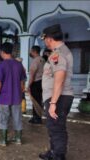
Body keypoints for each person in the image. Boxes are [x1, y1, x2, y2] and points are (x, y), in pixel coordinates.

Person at [39, 24, 74, 160]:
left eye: (44, 39)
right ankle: (53, 152)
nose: (44, 42)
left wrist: (53, 102)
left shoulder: (58, 54)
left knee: (57, 128)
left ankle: (58, 156)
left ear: (49, 38)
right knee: (53, 126)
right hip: (59, 96)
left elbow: (59, 78)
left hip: (59, 97)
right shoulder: (61, 52)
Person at [0, 42, 26, 146]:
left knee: (3, 117)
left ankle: (3, 140)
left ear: (2, 52)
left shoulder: (1, 65)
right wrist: (20, 93)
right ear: (11, 51)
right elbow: (22, 82)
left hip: (4, 97)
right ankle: (18, 140)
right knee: (17, 117)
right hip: (16, 97)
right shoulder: (19, 65)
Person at [27, 45, 45, 124]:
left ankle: (36, 118)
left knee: (35, 101)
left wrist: (29, 85)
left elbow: (32, 74)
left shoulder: (35, 61)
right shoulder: (42, 59)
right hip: (42, 82)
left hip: (36, 82)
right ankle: (37, 116)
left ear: (34, 51)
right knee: (39, 100)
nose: (30, 53)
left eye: (31, 51)